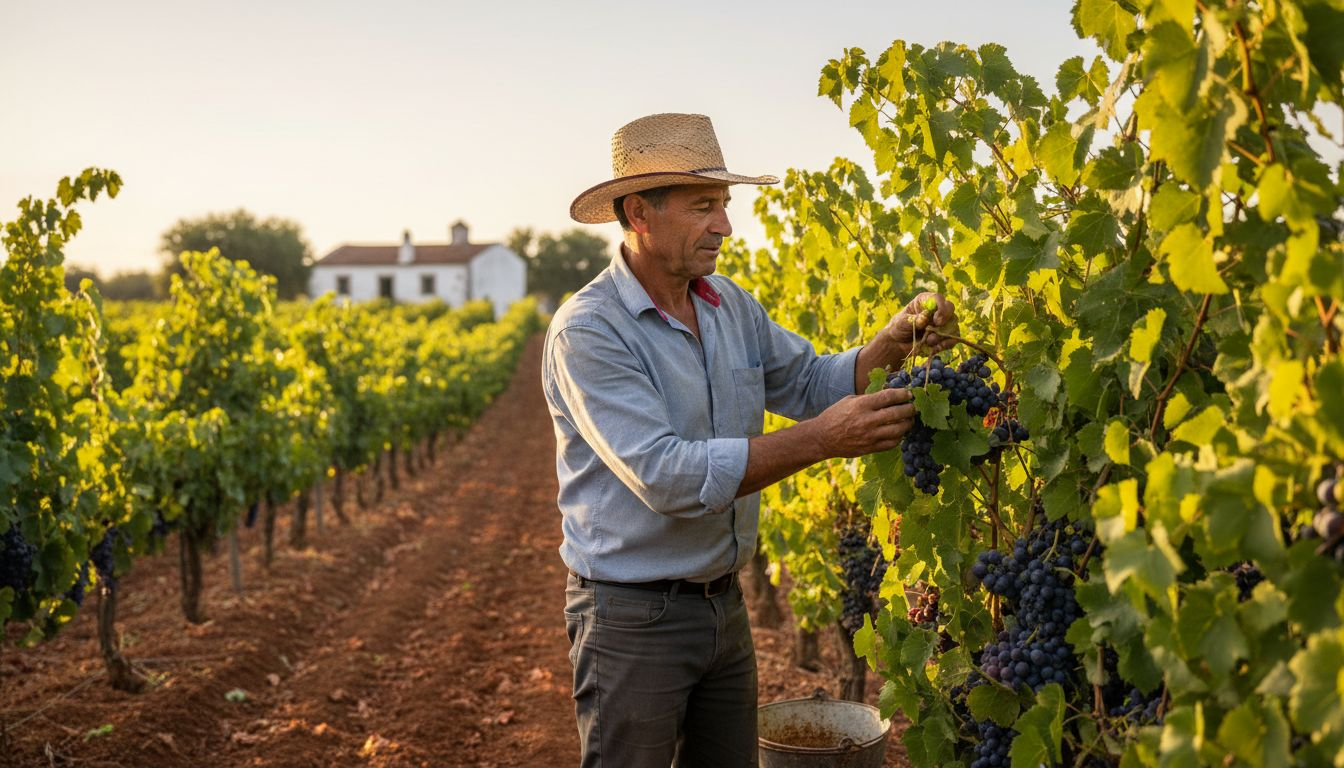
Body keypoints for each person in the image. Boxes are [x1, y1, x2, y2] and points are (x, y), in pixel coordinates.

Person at [543, 112, 960, 767]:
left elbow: (811, 381)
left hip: (723, 606)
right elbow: (667, 477)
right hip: (631, 620)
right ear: (638, 213)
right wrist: (821, 441)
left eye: (724, 205)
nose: (725, 225)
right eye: (703, 206)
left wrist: (889, 343)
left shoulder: (730, 307)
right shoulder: (590, 331)